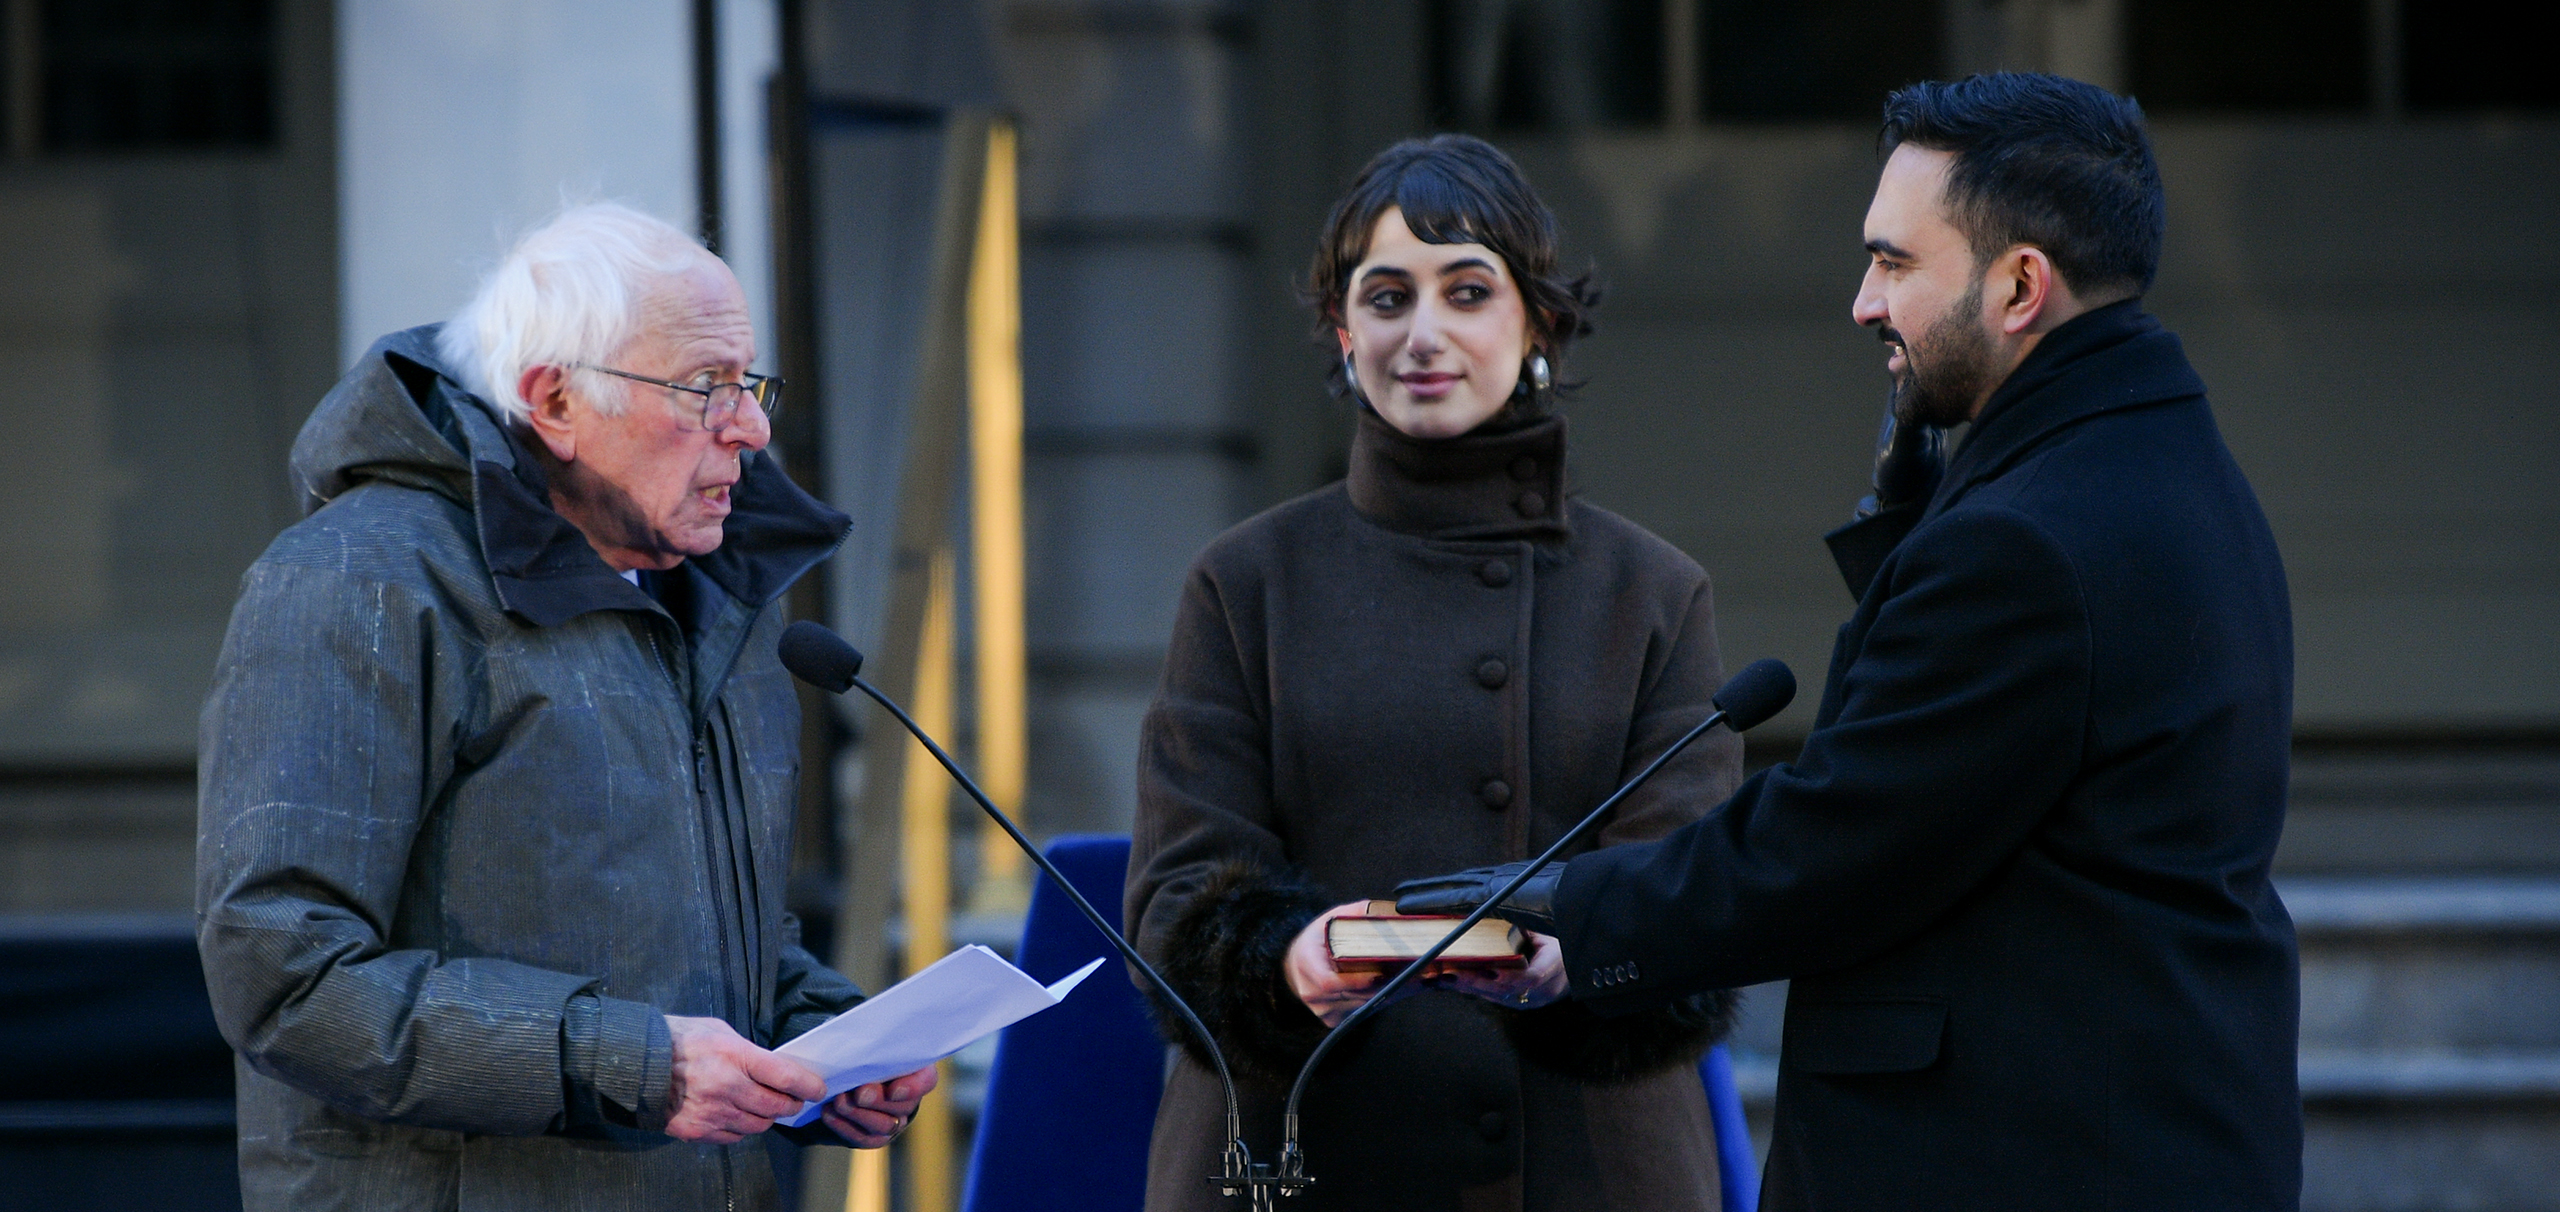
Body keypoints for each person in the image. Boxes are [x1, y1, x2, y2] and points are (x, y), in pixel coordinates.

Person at [1398, 74, 2302, 1209]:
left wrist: (1568, 913)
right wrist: (1911, 524)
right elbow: (1977, 764)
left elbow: (1843, 839)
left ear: (2020, 285)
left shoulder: (2027, 540)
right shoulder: (2158, 461)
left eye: (1894, 262)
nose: (1864, 302)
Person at [195, 203, 934, 1210]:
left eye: (749, 383)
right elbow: (283, 974)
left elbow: (699, 930)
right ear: (555, 402)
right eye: (705, 387)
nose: (752, 428)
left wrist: (824, 1037)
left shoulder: (718, 594)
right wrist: (635, 1064)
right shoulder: (359, 584)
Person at [1124, 134, 1743, 1212]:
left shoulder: (1651, 590)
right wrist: (1286, 964)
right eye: (1386, 298)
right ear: (1342, 329)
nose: (1423, 334)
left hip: (1583, 1164)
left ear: (1537, 322)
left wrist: (1581, 955)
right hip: (1298, 1151)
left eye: (1467, 292)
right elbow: (1177, 899)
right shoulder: (1245, 581)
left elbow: (1693, 895)